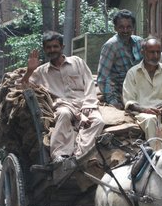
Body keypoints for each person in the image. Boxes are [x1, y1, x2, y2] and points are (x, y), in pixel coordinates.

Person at [21, 31, 105, 163]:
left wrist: (88, 105)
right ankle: (60, 155)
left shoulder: (77, 62)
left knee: (98, 121)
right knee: (64, 114)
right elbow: (22, 86)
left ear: (62, 47)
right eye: (48, 47)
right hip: (63, 105)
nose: (52, 50)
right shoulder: (41, 71)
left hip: (84, 104)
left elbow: (89, 83)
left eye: (55, 46)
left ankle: (80, 155)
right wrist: (30, 70)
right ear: (45, 49)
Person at [97, 9, 162, 109]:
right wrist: (113, 101)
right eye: (121, 27)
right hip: (122, 91)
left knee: (161, 56)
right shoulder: (111, 46)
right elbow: (103, 78)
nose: (125, 30)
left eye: (128, 27)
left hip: (141, 88)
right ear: (115, 28)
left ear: (133, 27)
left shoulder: (139, 42)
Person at [122, 37, 162, 143]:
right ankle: (157, 155)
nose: (155, 56)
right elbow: (129, 101)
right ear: (143, 52)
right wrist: (144, 110)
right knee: (151, 120)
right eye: (151, 52)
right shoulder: (133, 73)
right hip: (143, 113)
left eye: (158, 52)